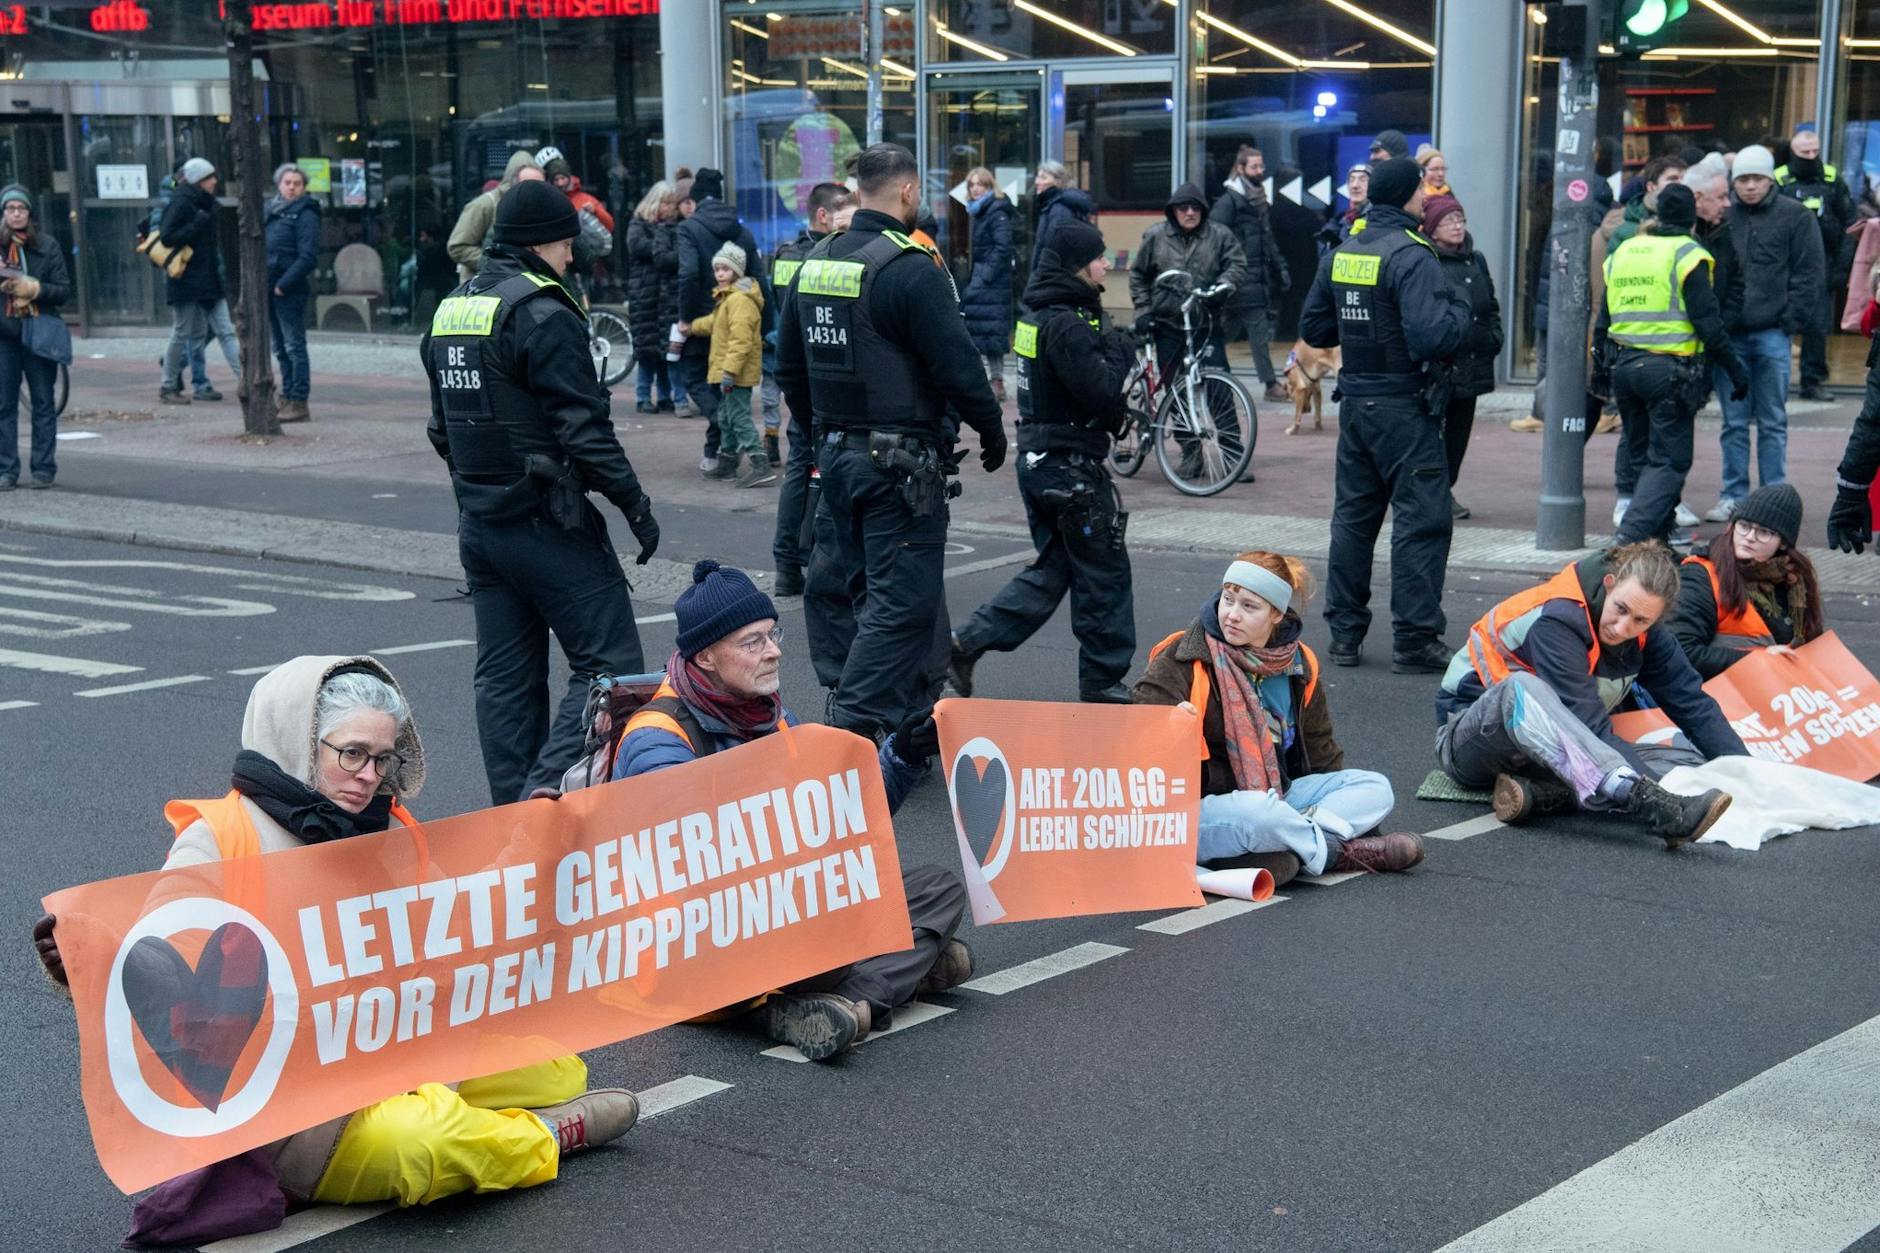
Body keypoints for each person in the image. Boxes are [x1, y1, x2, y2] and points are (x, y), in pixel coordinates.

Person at [31, 657, 637, 1235]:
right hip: (300, 1111)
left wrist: (532, 849)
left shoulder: (390, 828)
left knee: (557, 1069)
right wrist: (89, 960)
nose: (369, 775)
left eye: (382, 757)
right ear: (299, 742)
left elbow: (459, 930)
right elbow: (166, 970)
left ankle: (476, 1112)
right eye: (351, 753)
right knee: (421, 1143)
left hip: (396, 1046)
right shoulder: (220, 840)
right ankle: (546, 1138)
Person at [612, 560, 972, 1060]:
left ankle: (845, 996)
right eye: (752, 642)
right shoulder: (658, 739)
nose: (775, 651)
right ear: (708, 657)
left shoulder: (773, 716)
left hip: (780, 910)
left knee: (939, 887)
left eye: (771, 634)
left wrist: (902, 756)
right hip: (702, 945)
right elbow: (688, 871)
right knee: (833, 935)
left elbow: (841, 818)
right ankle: (872, 983)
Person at [422, 179, 661, 804]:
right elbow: (583, 430)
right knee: (610, 668)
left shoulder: (453, 309)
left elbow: (440, 429)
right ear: (539, 245)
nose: (572, 257)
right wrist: (633, 503)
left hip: (481, 523)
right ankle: (542, 799)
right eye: (564, 246)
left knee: (504, 676)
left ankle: (510, 818)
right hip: (548, 522)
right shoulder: (544, 313)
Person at [774, 142, 1006, 741]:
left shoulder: (817, 262)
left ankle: (901, 724)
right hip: (898, 467)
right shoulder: (908, 267)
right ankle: (847, 732)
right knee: (900, 606)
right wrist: (991, 426)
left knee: (854, 590)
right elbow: (957, 366)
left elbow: (790, 369)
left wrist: (823, 428)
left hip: (837, 457)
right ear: (906, 192)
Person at [1132, 552, 1426, 880]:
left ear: (1276, 614)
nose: (1231, 615)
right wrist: (1169, 730)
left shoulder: (1299, 663)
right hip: (1197, 807)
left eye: (1249, 606)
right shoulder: (1182, 656)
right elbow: (1135, 745)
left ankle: (1297, 845)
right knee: (1259, 812)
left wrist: (1341, 801)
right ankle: (1337, 850)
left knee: (1375, 787)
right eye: (1228, 600)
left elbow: (1319, 751)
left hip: (1278, 795)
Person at [1434, 542, 1745, 847]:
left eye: (1640, 621)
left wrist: (1745, 773)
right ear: (1609, 585)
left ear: (1656, 619)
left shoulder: (1650, 635)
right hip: (1475, 740)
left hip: (1552, 751)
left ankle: (1548, 795)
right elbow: (1587, 723)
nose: (1623, 628)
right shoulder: (1557, 619)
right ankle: (1650, 802)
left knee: (1685, 756)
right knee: (1523, 688)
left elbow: (1691, 702)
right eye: (1621, 610)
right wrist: (1660, 791)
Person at [950, 221, 1137, 705]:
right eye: (1099, 257)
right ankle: (1102, 682)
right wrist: (1120, 350)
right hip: (1070, 470)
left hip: (1041, 463)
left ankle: (966, 644)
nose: (1106, 265)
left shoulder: (1038, 315)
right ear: (1078, 265)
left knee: (1056, 569)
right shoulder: (1067, 324)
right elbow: (1100, 390)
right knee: (1104, 574)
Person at [1299, 157, 1470, 673]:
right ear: (1404, 195)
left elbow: (1316, 327)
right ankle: (1415, 640)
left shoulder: (1345, 250)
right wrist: (1460, 314)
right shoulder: (1412, 254)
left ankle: (1345, 635)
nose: (1427, 195)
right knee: (1422, 522)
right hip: (1403, 407)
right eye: (1421, 188)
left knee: (1353, 520)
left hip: (1356, 407)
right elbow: (1429, 336)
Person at [1597, 184, 1749, 546]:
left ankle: (1659, 539)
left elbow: (1603, 317)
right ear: (1690, 218)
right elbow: (1708, 322)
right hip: (1669, 372)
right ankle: (1630, 537)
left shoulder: (1626, 250)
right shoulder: (1687, 254)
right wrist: (1735, 369)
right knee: (1669, 462)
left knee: (1640, 455)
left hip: (1625, 368)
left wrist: (1599, 366)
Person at [1706, 144, 1825, 523]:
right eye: (1742, 179)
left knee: (1773, 419)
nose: (1750, 187)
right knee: (1733, 421)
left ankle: (1773, 494)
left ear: (1770, 179)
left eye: (1757, 179)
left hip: (1773, 331)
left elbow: (1809, 273)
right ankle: (1733, 494)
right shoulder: (1723, 218)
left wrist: (1790, 321)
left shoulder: (1796, 217)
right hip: (1731, 335)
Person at [1594, 155, 1691, 524]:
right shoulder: (1630, 234)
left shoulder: (1669, 240)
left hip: (1637, 356)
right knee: (1656, 448)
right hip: (1653, 356)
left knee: (1648, 442)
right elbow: (1606, 298)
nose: (1679, 183)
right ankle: (1637, 515)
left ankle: (1647, 511)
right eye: (1672, 177)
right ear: (1651, 187)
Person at [769, 181, 854, 597]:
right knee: (818, 471)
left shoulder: (785, 256)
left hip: (798, 377)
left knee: (797, 471)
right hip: (822, 381)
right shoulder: (826, 259)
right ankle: (813, 559)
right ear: (825, 216)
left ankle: (787, 563)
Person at [1673, 484, 1822, 677]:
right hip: (1719, 696)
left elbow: (1813, 644)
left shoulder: (1795, 579)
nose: (1750, 537)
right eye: (1744, 526)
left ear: (1783, 543)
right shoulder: (1700, 576)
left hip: (1779, 692)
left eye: (1764, 532)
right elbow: (1680, 652)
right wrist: (1759, 660)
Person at [676, 168, 765, 474]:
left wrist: (685, 318)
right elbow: (759, 275)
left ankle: (724, 439)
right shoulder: (742, 230)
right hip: (738, 317)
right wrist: (762, 325)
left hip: (705, 318)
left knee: (695, 381)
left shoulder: (689, 228)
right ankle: (717, 453)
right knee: (721, 388)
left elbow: (687, 274)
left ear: (696, 199)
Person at [1425, 193, 1501, 520]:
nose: (1456, 226)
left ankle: (1444, 490)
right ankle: (1436, 496)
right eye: (1448, 221)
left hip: (1474, 362)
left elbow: (1491, 305)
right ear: (1432, 228)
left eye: (1460, 219)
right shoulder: (1427, 260)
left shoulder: (1476, 259)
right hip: (1443, 365)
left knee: (1459, 436)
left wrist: (1493, 338)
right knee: (1435, 435)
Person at [1130, 182, 1248, 391]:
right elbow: (1139, 275)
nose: (1190, 213)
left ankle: (1227, 426)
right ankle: (1179, 423)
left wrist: (1222, 287)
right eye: (1184, 208)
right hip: (1167, 323)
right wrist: (1143, 311)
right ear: (1173, 211)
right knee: (1174, 391)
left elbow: (1237, 264)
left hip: (1206, 321)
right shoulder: (1156, 236)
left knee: (1218, 387)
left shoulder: (1220, 234)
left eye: (1196, 208)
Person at [682, 241, 772, 487]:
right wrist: (691, 327)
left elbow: (740, 340)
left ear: (737, 272)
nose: (720, 274)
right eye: (717, 269)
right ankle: (728, 462)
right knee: (726, 417)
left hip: (735, 374)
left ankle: (759, 462)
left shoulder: (740, 301)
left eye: (726, 269)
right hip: (729, 373)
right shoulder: (728, 299)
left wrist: (729, 371)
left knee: (738, 418)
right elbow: (714, 322)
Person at [1776, 127, 1856, 401]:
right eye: (1804, 152)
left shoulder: (1833, 179)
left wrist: (1841, 267)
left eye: (1815, 151)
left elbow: (1850, 223)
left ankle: (1813, 381)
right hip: (1784, 264)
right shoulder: (1779, 179)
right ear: (1793, 152)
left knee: (1817, 326)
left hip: (1823, 262)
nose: (1810, 157)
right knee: (1779, 322)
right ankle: (1777, 381)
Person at [0, 185, 69, 491]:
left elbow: (63, 290)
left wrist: (35, 289)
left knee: (43, 402)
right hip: (5, 335)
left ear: (29, 213)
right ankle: (6, 470)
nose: (16, 213)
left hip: (39, 331)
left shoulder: (47, 245)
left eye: (21, 208)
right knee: (4, 405)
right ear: (3, 213)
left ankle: (43, 468)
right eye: (10, 208)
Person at [158, 158, 240, 406]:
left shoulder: (205, 202)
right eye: (209, 177)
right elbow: (167, 236)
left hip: (208, 278)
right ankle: (168, 384)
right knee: (184, 331)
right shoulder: (182, 201)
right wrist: (196, 224)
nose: (215, 181)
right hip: (187, 278)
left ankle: (247, 382)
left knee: (223, 330)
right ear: (197, 180)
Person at [1212, 145, 1291, 404]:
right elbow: (1215, 237)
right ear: (1241, 168)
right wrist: (1226, 268)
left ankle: (1211, 366)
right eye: (1255, 166)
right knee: (1250, 330)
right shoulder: (1231, 200)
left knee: (1234, 329)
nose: (1260, 171)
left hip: (1255, 276)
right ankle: (1269, 383)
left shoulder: (1256, 198)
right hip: (1240, 275)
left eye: (1261, 166)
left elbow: (1266, 238)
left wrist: (1280, 266)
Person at [264, 163, 320, 424]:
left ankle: (298, 399)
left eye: (297, 183)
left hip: (289, 289)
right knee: (280, 347)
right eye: (287, 182)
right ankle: (286, 395)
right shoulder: (272, 210)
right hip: (270, 288)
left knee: (293, 345)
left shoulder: (305, 214)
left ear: (303, 187)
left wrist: (282, 284)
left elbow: (308, 257)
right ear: (279, 184)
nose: (291, 187)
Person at [961, 166, 1018, 403]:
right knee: (983, 332)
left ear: (988, 186)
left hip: (992, 282)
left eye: (979, 184)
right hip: (985, 279)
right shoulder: (979, 210)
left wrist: (984, 275)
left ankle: (996, 381)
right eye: (971, 185)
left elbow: (1003, 247)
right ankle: (990, 381)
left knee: (991, 333)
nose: (975, 189)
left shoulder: (994, 210)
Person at [625, 180, 681, 415]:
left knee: (664, 350)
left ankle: (665, 395)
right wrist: (661, 242)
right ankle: (643, 395)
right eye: (667, 203)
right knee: (647, 351)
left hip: (665, 294)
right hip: (646, 292)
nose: (670, 208)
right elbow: (638, 247)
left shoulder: (674, 227)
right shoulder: (639, 224)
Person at [447, 149, 539, 282]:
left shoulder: (536, 207)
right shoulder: (485, 205)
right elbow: (457, 246)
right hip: (481, 286)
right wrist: (494, 264)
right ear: (513, 181)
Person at [1030, 160, 1096, 277]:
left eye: (1043, 178)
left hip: (1052, 276)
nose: (1037, 182)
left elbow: (1055, 247)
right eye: (1037, 177)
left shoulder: (1059, 208)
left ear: (1058, 182)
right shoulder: (1055, 204)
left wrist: (1041, 276)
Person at [1318, 162, 1370, 253]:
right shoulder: (1337, 222)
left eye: (1362, 180)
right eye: (1351, 180)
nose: (1355, 185)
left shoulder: (1377, 220)